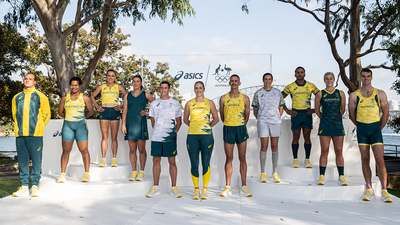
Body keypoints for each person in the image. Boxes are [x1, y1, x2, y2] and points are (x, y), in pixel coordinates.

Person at [348, 68, 392, 202]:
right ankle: (369, 189)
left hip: (375, 130)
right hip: (362, 130)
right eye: (363, 76)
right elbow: (351, 115)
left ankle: (384, 190)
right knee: (365, 159)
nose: (366, 78)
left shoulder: (380, 93)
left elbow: (386, 114)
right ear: (361, 78)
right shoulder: (354, 95)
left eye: (368, 76)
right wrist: (361, 126)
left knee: (380, 160)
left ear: (371, 78)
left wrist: (378, 128)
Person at [11, 73, 50, 197]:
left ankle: (34, 185)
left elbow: (47, 115)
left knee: (36, 161)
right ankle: (23, 186)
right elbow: (14, 115)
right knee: (22, 161)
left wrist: (39, 127)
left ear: (34, 82)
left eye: (30, 79)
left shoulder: (41, 96)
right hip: (20, 134)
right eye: (26, 79)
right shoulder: (16, 97)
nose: (27, 81)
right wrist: (18, 129)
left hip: (35, 135)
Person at [146, 81, 183, 198]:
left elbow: (179, 122)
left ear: (169, 89)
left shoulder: (175, 103)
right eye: (161, 88)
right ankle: (156, 187)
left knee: (172, 161)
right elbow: (153, 122)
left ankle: (174, 188)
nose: (163, 90)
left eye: (165, 88)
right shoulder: (154, 104)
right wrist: (159, 131)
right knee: (156, 161)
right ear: (159, 89)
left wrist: (172, 133)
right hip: (156, 137)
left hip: (170, 138)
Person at [183, 81, 219, 200]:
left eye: (200, 88)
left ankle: (204, 190)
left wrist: (206, 127)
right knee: (194, 164)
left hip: (206, 137)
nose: (198, 90)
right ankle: (196, 189)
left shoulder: (210, 102)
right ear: (194, 90)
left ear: (204, 89)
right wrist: (194, 127)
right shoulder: (189, 103)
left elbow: (216, 118)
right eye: (196, 88)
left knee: (205, 163)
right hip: (192, 136)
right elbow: (185, 119)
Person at [219, 74, 252, 197]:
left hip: (241, 129)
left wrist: (240, 124)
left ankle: (244, 186)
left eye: (236, 81)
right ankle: (228, 186)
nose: (234, 83)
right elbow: (222, 116)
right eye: (232, 81)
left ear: (239, 83)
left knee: (242, 158)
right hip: (228, 128)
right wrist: (229, 123)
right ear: (229, 83)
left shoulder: (245, 98)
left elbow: (247, 115)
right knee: (229, 158)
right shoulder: (223, 98)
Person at [57, 77, 94, 183]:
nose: (74, 87)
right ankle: (62, 174)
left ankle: (86, 174)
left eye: (76, 85)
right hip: (67, 127)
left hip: (81, 127)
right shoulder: (65, 98)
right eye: (72, 85)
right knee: (66, 151)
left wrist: (80, 117)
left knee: (84, 150)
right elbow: (60, 113)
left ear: (80, 86)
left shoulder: (85, 98)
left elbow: (91, 112)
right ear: (70, 85)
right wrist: (70, 117)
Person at [282, 66, 319, 168]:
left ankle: (307, 160)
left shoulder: (311, 86)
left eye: (301, 72)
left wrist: (315, 109)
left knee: (307, 137)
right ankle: (295, 160)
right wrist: (287, 110)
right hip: (296, 114)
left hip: (307, 114)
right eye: (298, 72)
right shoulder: (290, 86)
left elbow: (320, 96)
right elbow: (280, 97)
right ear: (295, 74)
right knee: (296, 137)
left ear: (304, 74)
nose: (300, 74)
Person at [314, 72, 347, 186]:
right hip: (325, 125)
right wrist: (325, 119)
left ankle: (341, 177)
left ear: (333, 80)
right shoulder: (320, 94)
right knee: (324, 151)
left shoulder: (340, 93)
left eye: (331, 78)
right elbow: (317, 110)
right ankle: (321, 176)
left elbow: (342, 109)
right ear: (324, 80)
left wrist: (335, 118)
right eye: (327, 79)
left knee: (339, 151)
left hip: (337, 125)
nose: (329, 80)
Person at [252, 73, 285, 183]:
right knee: (264, 146)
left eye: (269, 79)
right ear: (263, 80)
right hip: (263, 121)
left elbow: (281, 108)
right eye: (265, 79)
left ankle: (274, 173)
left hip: (275, 122)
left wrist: (275, 117)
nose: (267, 81)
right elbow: (255, 110)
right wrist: (262, 118)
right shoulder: (258, 93)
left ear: (272, 80)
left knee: (275, 147)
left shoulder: (277, 93)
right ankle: (263, 173)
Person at [90, 70, 127, 167]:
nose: (110, 78)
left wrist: (122, 107)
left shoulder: (119, 87)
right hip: (104, 111)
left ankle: (114, 159)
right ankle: (103, 159)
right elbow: (92, 96)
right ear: (106, 76)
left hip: (115, 111)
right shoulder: (101, 87)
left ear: (115, 77)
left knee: (114, 137)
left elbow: (127, 96)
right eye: (109, 76)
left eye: (112, 76)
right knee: (105, 137)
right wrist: (97, 107)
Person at [121, 75, 154, 181]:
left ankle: (142, 172)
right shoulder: (127, 95)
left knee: (141, 149)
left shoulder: (146, 94)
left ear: (141, 83)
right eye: (134, 81)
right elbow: (125, 110)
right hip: (130, 124)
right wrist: (123, 125)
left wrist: (148, 114)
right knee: (132, 149)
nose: (135, 83)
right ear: (132, 83)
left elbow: (156, 106)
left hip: (141, 123)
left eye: (137, 81)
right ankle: (134, 171)